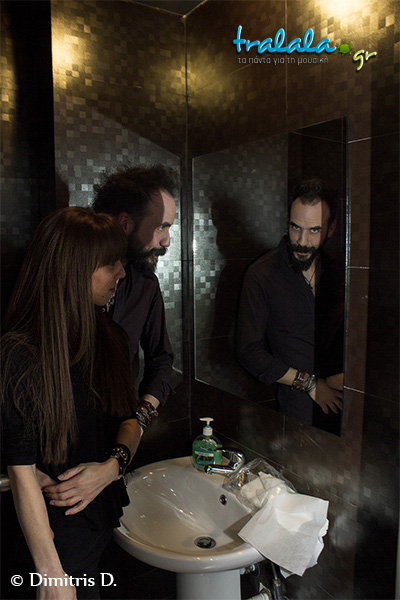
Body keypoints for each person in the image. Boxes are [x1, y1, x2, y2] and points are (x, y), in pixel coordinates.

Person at [1, 207, 144, 599]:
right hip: (54, 542)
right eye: (110, 265)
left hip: (98, 529)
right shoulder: (21, 355)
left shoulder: (110, 337)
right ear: (75, 270)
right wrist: (51, 574)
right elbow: (20, 470)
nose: (121, 273)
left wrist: (111, 468)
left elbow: (130, 422)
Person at [39, 164, 178, 518]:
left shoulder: (146, 286)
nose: (166, 241)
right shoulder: (63, 280)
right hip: (58, 468)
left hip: (117, 456)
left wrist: (137, 424)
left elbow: (162, 362)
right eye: (161, 226)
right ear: (125, 223)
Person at [236, 178, 344, 429]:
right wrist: (310, 384)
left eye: (314, 230)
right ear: (287, 221)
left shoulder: (344, 270)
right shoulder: (262, 275)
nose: (302, 241)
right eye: (296, 227)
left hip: (351, 412)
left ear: (331, 229)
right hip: (299, 412)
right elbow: (248, 351)